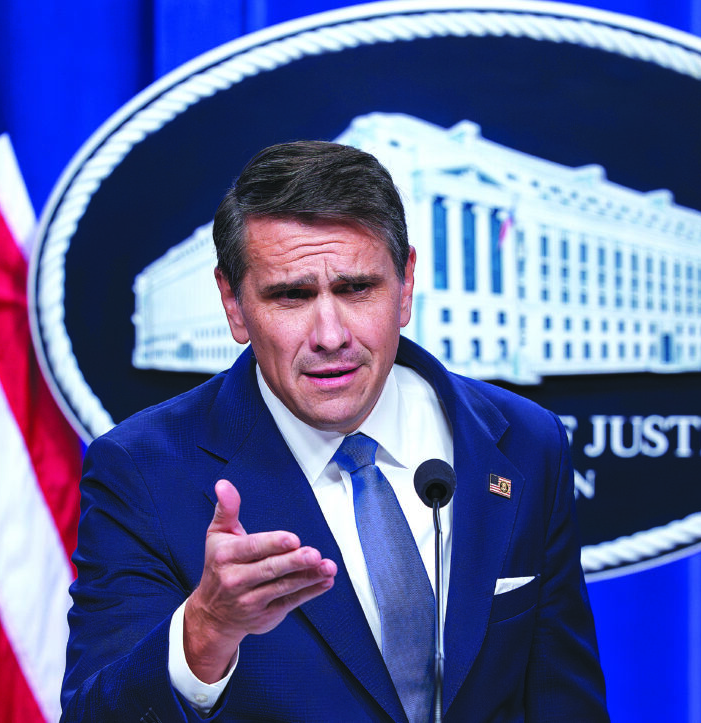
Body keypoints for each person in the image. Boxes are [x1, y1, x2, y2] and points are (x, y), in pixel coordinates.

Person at [61, 140, 608, 721]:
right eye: (291, 296)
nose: (330, 336)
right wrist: (205, 631)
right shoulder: (143, 471)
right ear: (234, 304)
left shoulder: (525, 442)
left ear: (405, 285)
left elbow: (563, 703)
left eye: (356, 289)